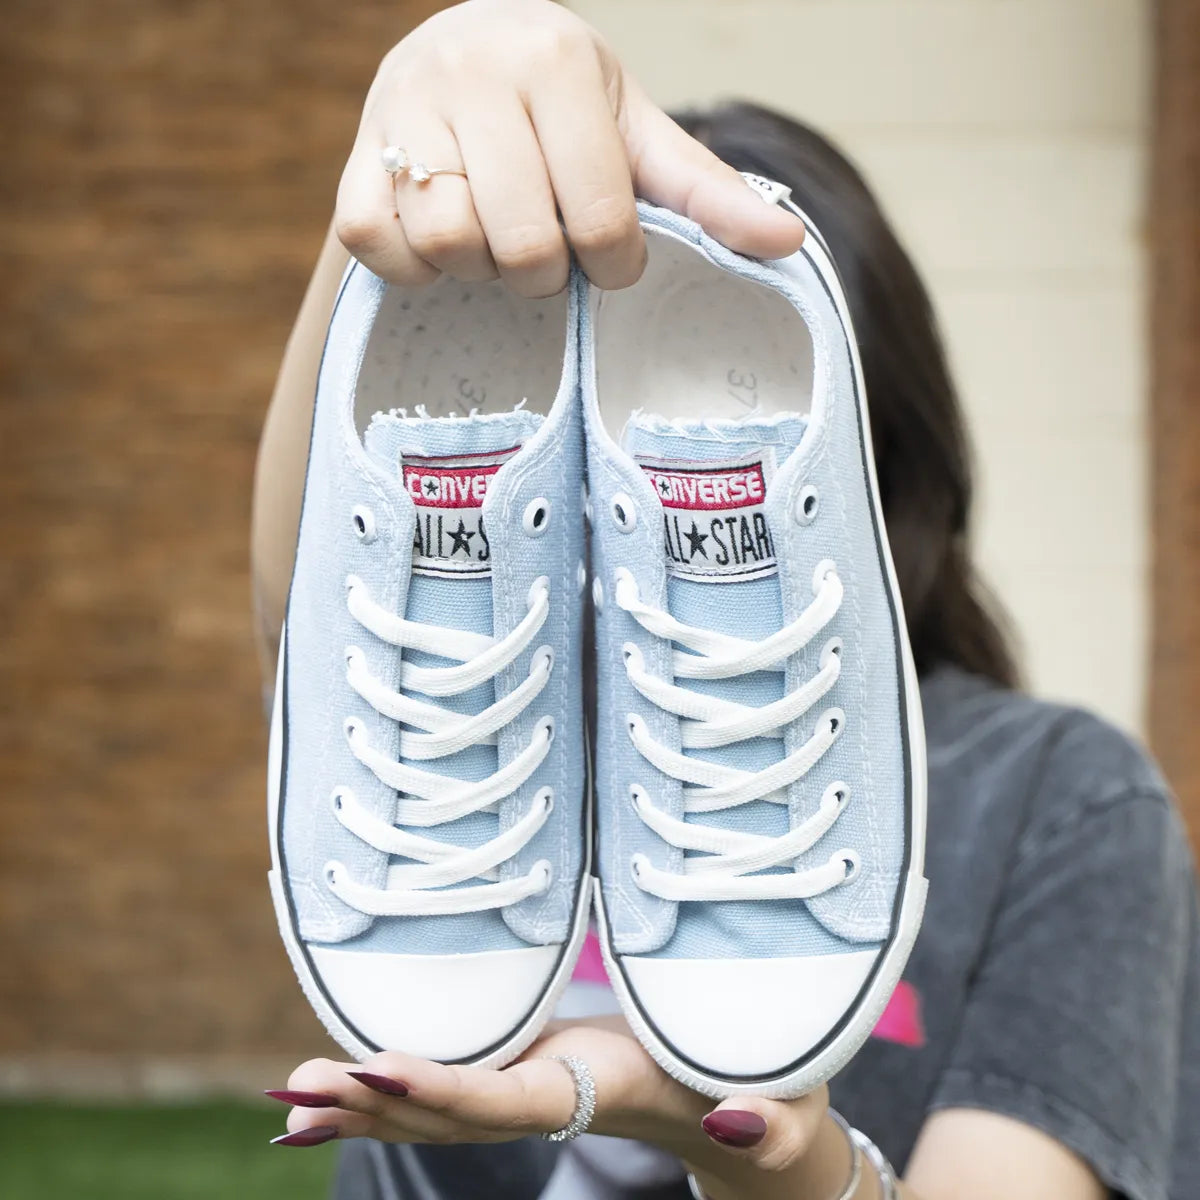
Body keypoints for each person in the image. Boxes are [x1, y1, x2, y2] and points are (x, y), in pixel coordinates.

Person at [250, 3, 1200, 1197]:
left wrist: (760, 1162)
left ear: (878, 430)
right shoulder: (401, 707)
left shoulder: (1055, 799)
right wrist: (424, 107)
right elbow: (308, 582)